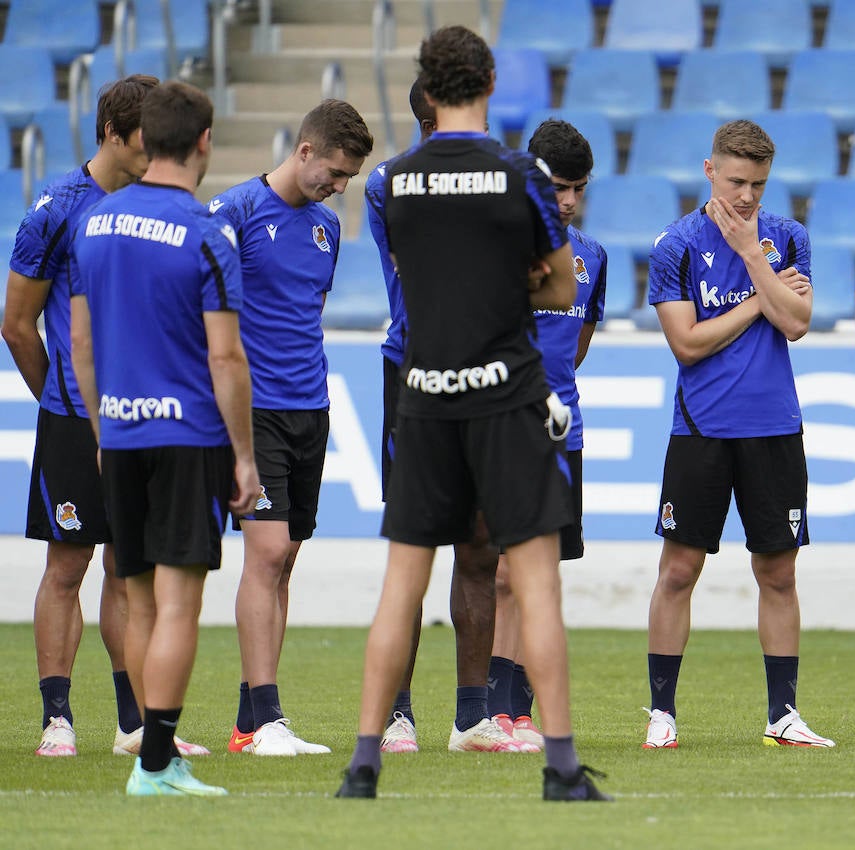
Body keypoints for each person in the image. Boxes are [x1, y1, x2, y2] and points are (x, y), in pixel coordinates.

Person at [336, 24, 608, 801]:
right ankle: (560, 765)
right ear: (489, 80)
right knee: (533, 576)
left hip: (423, 390)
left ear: (425, 86)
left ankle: (365, 762)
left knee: (401, 581)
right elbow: (560, 288)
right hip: (503, 392)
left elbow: (411, 277)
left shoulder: (392, 182)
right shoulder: (520, 175)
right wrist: (499, 282)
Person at [2, 73, 209, 760]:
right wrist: (61, 404)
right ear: (115, 134)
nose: (158, 151)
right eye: (146, 138)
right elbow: (17, 323)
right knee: (69, 564)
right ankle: (56, 719)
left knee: (132, 569)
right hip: (74, 415)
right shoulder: (57, 208)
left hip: (146, 415)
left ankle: (136, 726)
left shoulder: (165, 202)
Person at [69, 79, 258, 795]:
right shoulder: (207, 232)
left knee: (140, 599)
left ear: (143, 139)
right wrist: (244, 456)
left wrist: (98, 426)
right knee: (178, 603)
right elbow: (226, 357)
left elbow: (80, 342)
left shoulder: (95, 224)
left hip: (118, 430)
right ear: (204, 141)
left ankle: (156, 755)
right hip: (186, 436)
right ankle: (154, 765)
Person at [642, 119, 831, 751]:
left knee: (778, 573)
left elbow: (800, 324)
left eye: (758, 184)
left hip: (775, 426)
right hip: (700, 430)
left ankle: (784, 715)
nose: (747, 195)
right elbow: (688, 344)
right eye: (736, 181)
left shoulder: (787, 238)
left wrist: (754, 258)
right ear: (709, 170)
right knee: (679, 569)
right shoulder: (677, 246)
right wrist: (761, 299)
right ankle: (662, 714)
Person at [210, 100, 373, 757]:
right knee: (267, 554)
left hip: (313, 408)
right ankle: (265, 719)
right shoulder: (234, 213)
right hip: (256, 413)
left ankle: (254, 722)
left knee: (285, 563)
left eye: (347, 179)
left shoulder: (327, 229)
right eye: (332, 172)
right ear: (304, 150)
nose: (337, 186)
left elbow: (305, 313)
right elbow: (209, 318)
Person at [364, 81, 521, 756]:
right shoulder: (389, 183)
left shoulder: (502, 175)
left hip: (483, 369)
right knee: (413, 547)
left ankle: (471, 717)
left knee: (481, 547)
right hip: (417, 368)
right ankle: (396, 715)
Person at [487, 117, 608, 749]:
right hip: (502, 424)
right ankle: (489, 708)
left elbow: (577, 344)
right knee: (503, 573)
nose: (566, 200)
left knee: (541, 576)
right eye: (558, 186)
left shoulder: (592, 257)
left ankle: (519, 708)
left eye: (577, 189)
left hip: (565, 430)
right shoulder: (498, 245)